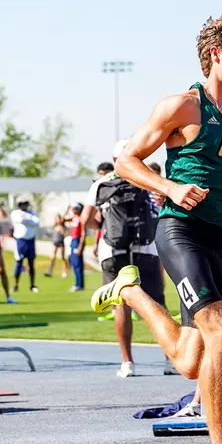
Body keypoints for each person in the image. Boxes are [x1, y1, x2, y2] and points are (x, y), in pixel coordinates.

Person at [90, 11, 222, 444]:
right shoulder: (183, 106)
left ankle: (132, 295)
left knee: (190, 359)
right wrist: (169, 187)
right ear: (215, 53)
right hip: (181, 231)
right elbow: (125, 160)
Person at [82, 160, 165, 379]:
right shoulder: (147, 177)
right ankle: (171, 359)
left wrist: (103, 227)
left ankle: (128, 362)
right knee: (157, 304)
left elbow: (86, 219)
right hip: (146, 247)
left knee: (121, 305)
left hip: (112, 250)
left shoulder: (102, 182)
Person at [9, 195, 40, 294]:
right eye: (22, 204)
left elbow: (36, 223)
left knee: (31, 264)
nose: (24, 205)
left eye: (25, 203)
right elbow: (21, 220)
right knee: (19, 263)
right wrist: (29, 221)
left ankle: (32, 285)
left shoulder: (32, 213)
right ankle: (15, 285)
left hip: (30, 240)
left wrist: (27, 221)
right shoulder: (16, 213)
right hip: (20, 241)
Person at [67, 203, 86, 291]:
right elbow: (63, 219)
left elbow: (83, 233)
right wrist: (67, 209)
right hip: (72, 240)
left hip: (77, 241)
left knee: (78, 264)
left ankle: (79, 284)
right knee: (74, 263)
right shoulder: (73, 218)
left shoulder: (81, 218)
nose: (74, 209)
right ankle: (77, 283)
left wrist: (80, 246)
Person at [45, 213, 67, 278]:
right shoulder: (55, 227)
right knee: (53, 257)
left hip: (61, 242)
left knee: (63, 257)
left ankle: (65, 271)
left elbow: (63, 233)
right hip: (55, 243)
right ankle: (50, 270)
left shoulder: (62, 227)